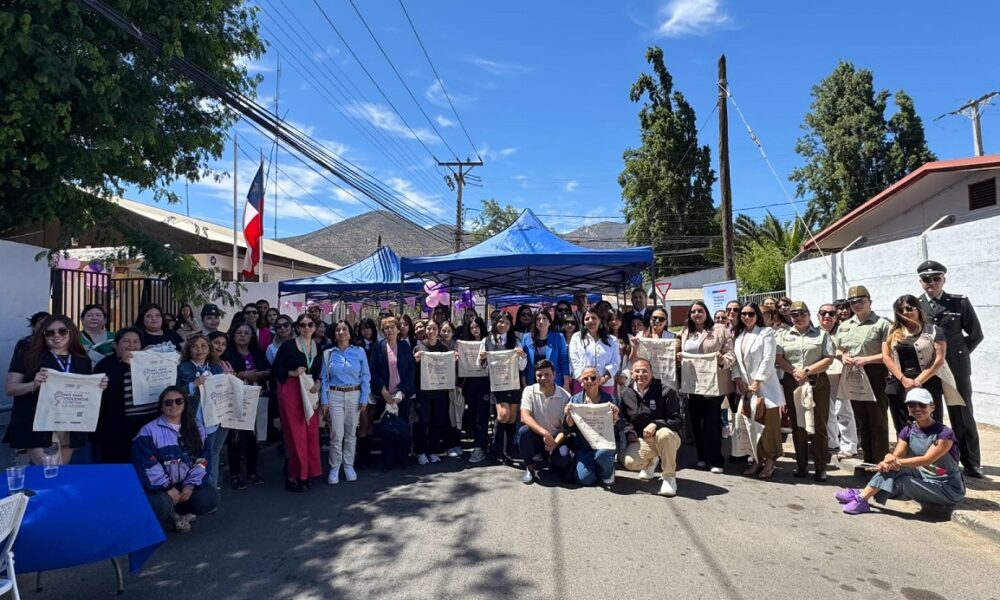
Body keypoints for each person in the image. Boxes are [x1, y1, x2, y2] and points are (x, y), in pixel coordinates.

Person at [836, 388, 965, 516]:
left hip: (946, 486)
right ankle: (862, 498)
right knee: (891, 469)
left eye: (922, 405)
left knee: (904, 481)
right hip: (924, 476)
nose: (917, 408)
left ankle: (860, 495)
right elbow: (897, 455)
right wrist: (888, 458)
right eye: (912, 405)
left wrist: (894, 461)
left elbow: (927, 460)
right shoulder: (908, 430)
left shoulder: (944, 434)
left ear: (932, 407)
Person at [5, 314, 107, 464]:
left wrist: (98, 386)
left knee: (58, 472)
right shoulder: (27, 356)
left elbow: (84, 390)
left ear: (71, 332)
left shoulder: (81, 359)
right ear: (43, 335)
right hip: (37, 423)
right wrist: (32, 384)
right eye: (50, 332)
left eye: (62, 331)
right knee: (52, 466)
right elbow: (10, 388)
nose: (56, 335)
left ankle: (34, 488)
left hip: (69, 422)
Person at [916, 260, 985, 479]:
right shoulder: (915, 305)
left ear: (944, 279)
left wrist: (957, 356)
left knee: (962, 415)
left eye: (936, 278)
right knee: (930, 414)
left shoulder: (959, 303)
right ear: (921, 282)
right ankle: (935, 458)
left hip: (955, 369)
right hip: (928, 370)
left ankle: (971, 462)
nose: (931, 283)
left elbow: (975, 334)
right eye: (927, 279)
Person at [133, 386, 220, 532]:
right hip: (160, 488)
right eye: (168, 403)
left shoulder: (196, 428)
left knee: (209, 499)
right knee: (161, 506)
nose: (174, 405)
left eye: (179, 401)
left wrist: (190, 485)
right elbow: (148, 465)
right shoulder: (147, 431)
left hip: (185, 483)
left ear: (185, 404)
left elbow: (203, 460)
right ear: (161, 407)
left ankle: (181, 511)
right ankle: (169, 513)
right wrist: (167, 487)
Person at [776, 301, 835, 481]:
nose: (798, 318)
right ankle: (801, 466)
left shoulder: (821, 334)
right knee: (798, 426)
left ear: (809, 315)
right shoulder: (783, 335)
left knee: (819, 427)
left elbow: (828, 358)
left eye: (802, 314)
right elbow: (779, 358)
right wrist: (795, 371)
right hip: (792, 382)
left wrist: (807, 371)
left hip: (817, 383)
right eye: (794, 315)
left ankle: (820, 467)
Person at [835, 285, 892, 465]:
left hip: (875, 373)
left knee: (878, 421)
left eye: (861, 301)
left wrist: (866, 360)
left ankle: (880, 464)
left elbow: (889, 353)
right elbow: (837, 348)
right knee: (862, 421)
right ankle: (868, 461)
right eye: (853, 302)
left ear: (870, 302)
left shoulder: (883, 324)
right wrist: (842, 356)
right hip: (853, 374)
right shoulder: (844, 326)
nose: (857, 304)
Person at [677, 301, 734, 474]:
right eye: (693, 311)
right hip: (692, 384)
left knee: (712, 423)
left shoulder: (719, 330)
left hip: (713, 384)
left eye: (700, 311)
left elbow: (731, 354)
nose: (697, 314)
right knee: (697, 423)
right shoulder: (686, 332)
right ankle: (702, 457)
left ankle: (715, 460)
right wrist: (678, 356)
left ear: (706, 313)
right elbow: (677, 349)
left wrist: (721, 359)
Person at [271, 314, 324, 491]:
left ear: (315, 327)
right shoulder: (288, 346)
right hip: (292, 391)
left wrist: (318, 382)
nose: (306, 328)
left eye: (310, 324)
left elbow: (318, 371)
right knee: (295, 435)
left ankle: (307, 473)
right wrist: (292, 373)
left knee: (310, 434)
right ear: (297, 327)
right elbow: (276, 369)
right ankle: (294, 476)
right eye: (303, 324)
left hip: (309, 391)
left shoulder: (318, 347)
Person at [732, 302, 784, 479]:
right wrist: (738, 379)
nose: (747, 317)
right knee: (752, 427)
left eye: (751, 314)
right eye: (744, 314)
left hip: (765, 389)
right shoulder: (738, 337)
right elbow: (736, 363)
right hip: (747, 390)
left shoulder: (766, 333)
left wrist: (758, 381)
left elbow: (768, 359)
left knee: (768, 427)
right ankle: (756, 460)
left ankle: (770, 462)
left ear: (757, 316)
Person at [92, 328, 160, 463]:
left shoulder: (149, 362)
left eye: (136, 342)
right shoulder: (105, 365)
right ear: (116, 345)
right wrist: (123, 364)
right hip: (118, 426)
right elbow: (102, 392)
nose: (131, 345)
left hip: (147, 423)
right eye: (126, 341)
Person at [619, 358, 684, 496]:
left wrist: (656, 424)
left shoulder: (667, 392)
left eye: (645, 371)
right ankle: (652, 461)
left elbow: (678, 421)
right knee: (630, 462)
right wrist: (629, 432)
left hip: (668, 437)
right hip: (644, 439)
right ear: (631, 374)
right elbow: (624, 419)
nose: (641, 374)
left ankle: (669, 477)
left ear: (652, 373)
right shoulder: (626, 393)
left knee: (664, 434)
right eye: (637, 371)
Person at [320, 320, 370, 484]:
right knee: (336, 434)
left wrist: (364, 397)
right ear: (334, 334)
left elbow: (365, 376)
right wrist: (325, 400)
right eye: (338, 330)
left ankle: (349, 465)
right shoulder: (328, 353)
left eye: (345, 329)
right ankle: (335, 467)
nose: (341, 332)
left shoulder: (359, 351)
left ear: (350, 332)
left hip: (354, 394)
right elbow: (324, 378)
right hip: (334, 394)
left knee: (350, 433)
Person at [176, 333, 226, 488]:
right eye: (195, 346)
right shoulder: (182, 368)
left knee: (210, 453)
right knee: (194, 454)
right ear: (189, 350)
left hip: (213, 417)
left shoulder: (216, 367)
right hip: (193, 417)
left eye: (203, 346)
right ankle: (193, 488)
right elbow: (175, 392)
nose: (199, 350)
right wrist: (193, 385)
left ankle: (210, 488)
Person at [224, 323, 270, 489]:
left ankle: (252, 472)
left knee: (253, 438)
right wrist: (243, 374)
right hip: (235, 400)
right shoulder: (227, 353)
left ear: (252, 336)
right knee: (235, 439)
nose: (242, 335)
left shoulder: (257, 352)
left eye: (246, 333)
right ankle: (235, 475)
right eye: (239, 332)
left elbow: (268, 370)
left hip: (256, 399)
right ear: (233, 334)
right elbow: (226, 374)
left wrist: (256, 374)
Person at [479, 311, 527, 463]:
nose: (503, 325)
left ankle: (506, 452)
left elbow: (522, 366)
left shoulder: (516, 340)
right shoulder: (487, 341)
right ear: (495, 323)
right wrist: (483, 359)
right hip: (497, 384)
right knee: (503, 415)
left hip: (513, 383)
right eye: (500, 322)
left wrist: (522, 356)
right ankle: (494, 449)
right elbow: (480, 366)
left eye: (507, 322)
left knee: (512, 417)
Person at [370, 316, 416, 469]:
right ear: (383, 331)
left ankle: (402, 459)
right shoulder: (378, 347)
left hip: (402, 396)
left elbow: (411, 371)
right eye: (386, 328)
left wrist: (402, 392)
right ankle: (387, 460)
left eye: (392, 327)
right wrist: (383, 391)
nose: (390, 330)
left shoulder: (404, 347)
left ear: (398, 329)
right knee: (387, 429)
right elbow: (373, 371)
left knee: (402, 427)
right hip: (385, 395)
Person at [517, 359, 572, 484]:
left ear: (555, 375)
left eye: (547, 374)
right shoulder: (529, 391)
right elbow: (524, 417)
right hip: (538, 435)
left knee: (563, 458)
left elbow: (567, 428)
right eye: (539, 375)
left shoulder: (566, 396)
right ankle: (530, 468)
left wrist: (555, 442)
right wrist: (545, 433)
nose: (543, 378)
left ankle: (551, 459)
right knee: (523, 432)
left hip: (557, 437)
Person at [566, 367, 620, 486]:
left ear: (600, 380)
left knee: (602, 454)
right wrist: (568, 414)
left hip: (604, 443)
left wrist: (615, 416)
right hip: (584, 445)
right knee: (585, 479)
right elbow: (569, 426)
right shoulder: (575, 400)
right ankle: (597, 466)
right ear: (581, 382)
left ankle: (608, 472)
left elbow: (620, 426)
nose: (589, 381)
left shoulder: (611, 399)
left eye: (593, 378)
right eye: (586, 378)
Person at [413, 320, 458, 464]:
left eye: (434, 329)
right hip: (423, 392)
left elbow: (450, 369)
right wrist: (416, 360)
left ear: (438, 331)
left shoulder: (444, 348)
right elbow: (411, 370)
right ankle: (420, 451)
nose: (431, 331)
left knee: (437, 421)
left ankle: (432, 450)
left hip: (440, 392)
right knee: (423, 421)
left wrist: (454, 359)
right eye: (429, 329)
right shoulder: (419, 347)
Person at [819, 303, 857, 459]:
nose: (827, 316)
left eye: (831, 313)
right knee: (826, 411)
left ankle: (850, 445)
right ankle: (831, 442)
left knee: (843, 410)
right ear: (818, 316)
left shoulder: (845, 330)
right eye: (823, 313)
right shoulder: (814, 332)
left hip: (839, 373)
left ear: (836, 316)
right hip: (821, 375)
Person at [569, 307, 619, 396]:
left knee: (604, 409)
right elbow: (574, 361)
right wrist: (584, 379)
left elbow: (615, 362)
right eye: (587, 319)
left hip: (605, 384)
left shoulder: (612, 340)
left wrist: (604, 378)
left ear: (600, 320)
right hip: (581, 384)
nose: (590, 321)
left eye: (594, 318)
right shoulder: (576, 338)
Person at [462, 317, 491, 464]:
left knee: (482, 416)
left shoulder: (488, 342)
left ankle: (480, 447)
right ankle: (478, 444)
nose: (474, 329)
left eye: (477, 326)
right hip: (470, 384)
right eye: (472, 327)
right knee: (472, 416)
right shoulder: (464, 344)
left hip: (484, 383)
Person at [521, 309, 571, 391]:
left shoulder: (558, 337)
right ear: (534, 322)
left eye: (544, 318)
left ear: (549, 322)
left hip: (554, 382)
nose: (541, 321)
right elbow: (523, 362)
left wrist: (566, 383)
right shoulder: (527, 338)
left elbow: (564, 361)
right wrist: (524, 383)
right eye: (538, 319)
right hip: (532, 382)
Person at [354, 317, 380, 468]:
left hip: (374, 389)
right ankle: (360, 456)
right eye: (363, 328)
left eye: (369, 328)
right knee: (362, 423)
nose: (366, 331)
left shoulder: (378, 346)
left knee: (370, 422)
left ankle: (367, 455)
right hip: (361, 388)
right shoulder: (356, 346)